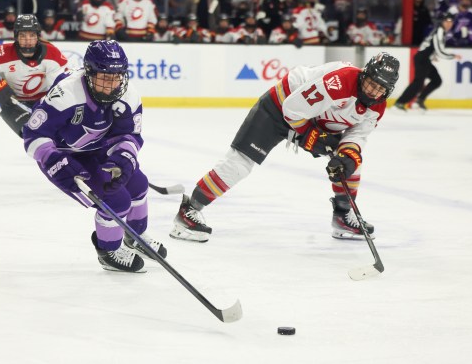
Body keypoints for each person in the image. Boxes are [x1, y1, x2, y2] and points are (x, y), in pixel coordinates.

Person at [170, 52, 400, 242]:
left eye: (380, 89)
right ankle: (188, 211)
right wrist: (313, 138)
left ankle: (342, 217)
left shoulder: (377, 106)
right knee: (240, 164)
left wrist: (346, 155)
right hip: (278, 109)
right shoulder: (340, 81)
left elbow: (358, 135)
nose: (373, 92)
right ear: (364, 76)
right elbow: (292, 109)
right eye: (371, 84)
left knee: (350, 163)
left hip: (312, 120)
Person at [22, 40, 166, 273]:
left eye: (116, 77)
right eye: (104, 78)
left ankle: (135, 236)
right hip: (67, 158)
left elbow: (129, 134)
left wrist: (124, 157)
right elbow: (33, 134)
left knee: (139, 185)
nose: (111, 85)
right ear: (88, 73)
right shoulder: (66, 94)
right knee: (116, 201)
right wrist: (52, 159)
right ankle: (108, 251)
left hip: (99, 150)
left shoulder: (129, 95)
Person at [0, 14, 68, 137]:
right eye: (23, 36)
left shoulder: (52, 54)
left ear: (38, 36)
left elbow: (59, 88)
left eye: (32, 35)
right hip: (14, 103)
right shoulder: (1, 54)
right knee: (34, 137)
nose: (28, 41)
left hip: (44, 102)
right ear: (16, 37)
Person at [393, 13, 462, 111]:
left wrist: (432, 55)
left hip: (425, 58)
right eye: (447, 21)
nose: (448, 24)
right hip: (422, 58)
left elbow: (430, 45)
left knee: (436, 80)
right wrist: (453, 56)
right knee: (418, 83)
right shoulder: (440, 31)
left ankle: (419, 101)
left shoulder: (440, 31)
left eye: (451, 22)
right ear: (443, 22)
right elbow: (440, 51)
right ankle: (399, 103)